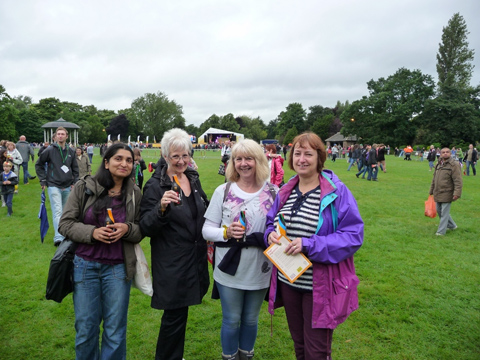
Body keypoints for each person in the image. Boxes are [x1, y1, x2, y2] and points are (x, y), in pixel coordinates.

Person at [264, 132, 363, 360]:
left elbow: (353, 235)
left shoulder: (336, 192)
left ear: (320, 158)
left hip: (320, 287)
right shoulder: (286, 190)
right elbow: (271, 222)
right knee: (299, 346)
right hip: (289, 282)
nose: (301, 159)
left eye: (308, 154)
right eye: (297, 153)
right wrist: (269, 235)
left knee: (317, 351)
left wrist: (309, 244)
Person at [58, 143, 143, 360]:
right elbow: (65, 223)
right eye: (118, 159)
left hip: (118, 268)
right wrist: (92, 233)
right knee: (86, 330)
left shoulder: (134, 192)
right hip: (85, 266)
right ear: (106, 162)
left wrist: (127, 228)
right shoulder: (84, 187)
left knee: (115, 331)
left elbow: (142, 229)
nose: (124, 164)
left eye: (129, 160)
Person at [202, 139, 277, 360]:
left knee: (251, 319)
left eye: (249, 159)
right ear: (232, 163)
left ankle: (247, 356)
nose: (243, 164)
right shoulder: (223, 190)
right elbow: (206, 231)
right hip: (229, 268)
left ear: (259, 161)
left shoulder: (274, 192)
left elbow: (280, 228)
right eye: (238, 159)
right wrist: (226, 232)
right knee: (231, 319)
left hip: (261, 267)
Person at [140, 128, 210, 360]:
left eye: (185, 156)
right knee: (173, 321)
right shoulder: (155, 186)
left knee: (180, 318)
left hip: (194, 260)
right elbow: (145, 227)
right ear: (165, 157)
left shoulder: (192, 178)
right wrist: (160, 208)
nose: (181, 161)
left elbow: (204, 210)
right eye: (175, 156)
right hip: (172, 264)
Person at [36, 127, 79, 246]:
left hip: (68, 186)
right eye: (58, 134)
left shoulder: (71, 151)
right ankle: (59, 237)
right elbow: (38, 164)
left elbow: (75, 168)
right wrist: (43, 180)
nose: (60, 136)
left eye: (62, 134)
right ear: (55, 137)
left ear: (66, 136)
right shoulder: (49, 150)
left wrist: (75, 182)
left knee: (66, 212)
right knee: (57, 211)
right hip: (53, 185)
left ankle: (66, 234)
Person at [429, 147, 463, 236]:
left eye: (447, 152)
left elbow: (458, 180)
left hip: (448, 192)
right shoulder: (438, 164)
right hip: (438, 191)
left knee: (444, 212)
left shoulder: (454, 165)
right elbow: (434, 178)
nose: (445, 153)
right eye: (443, 152)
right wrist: (431, 190)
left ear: (450, 153)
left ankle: (441, 232)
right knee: (439, 210)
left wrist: (457, 193)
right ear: (440, 154)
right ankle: (452, 225)